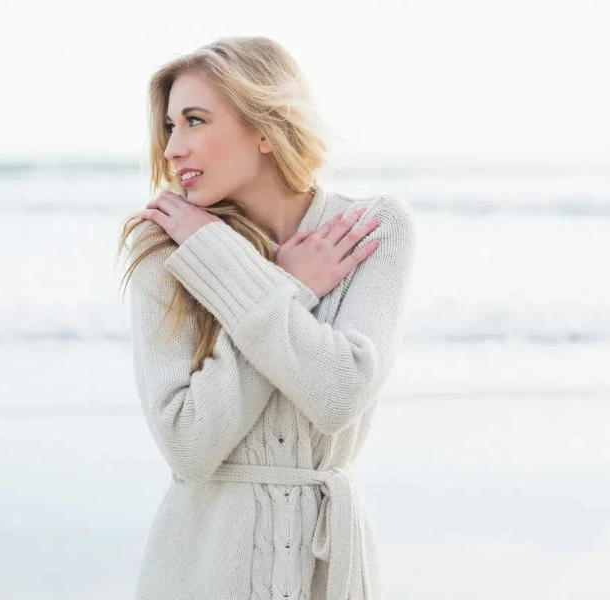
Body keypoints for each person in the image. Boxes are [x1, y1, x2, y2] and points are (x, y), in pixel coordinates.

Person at [115, 35, 417, 600]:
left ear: (264, 127)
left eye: (196, 121)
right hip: (201, 570)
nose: (174, 147)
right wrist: (286, 282)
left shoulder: (373, 228)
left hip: (328, 571)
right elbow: (188, 447)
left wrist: (258, 283)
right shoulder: (167, 250)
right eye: (170, 126)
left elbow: (339, 394)